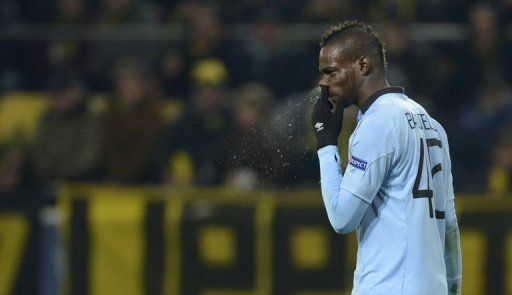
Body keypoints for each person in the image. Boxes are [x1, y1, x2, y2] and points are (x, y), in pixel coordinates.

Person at [310, 20, 461, 294]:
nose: (324, 82)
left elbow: (342, 218)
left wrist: (326, 144)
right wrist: (453, 289)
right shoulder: (431, 123)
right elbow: (449, 225)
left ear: (363, 65)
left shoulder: (378, 122)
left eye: (331, 72)